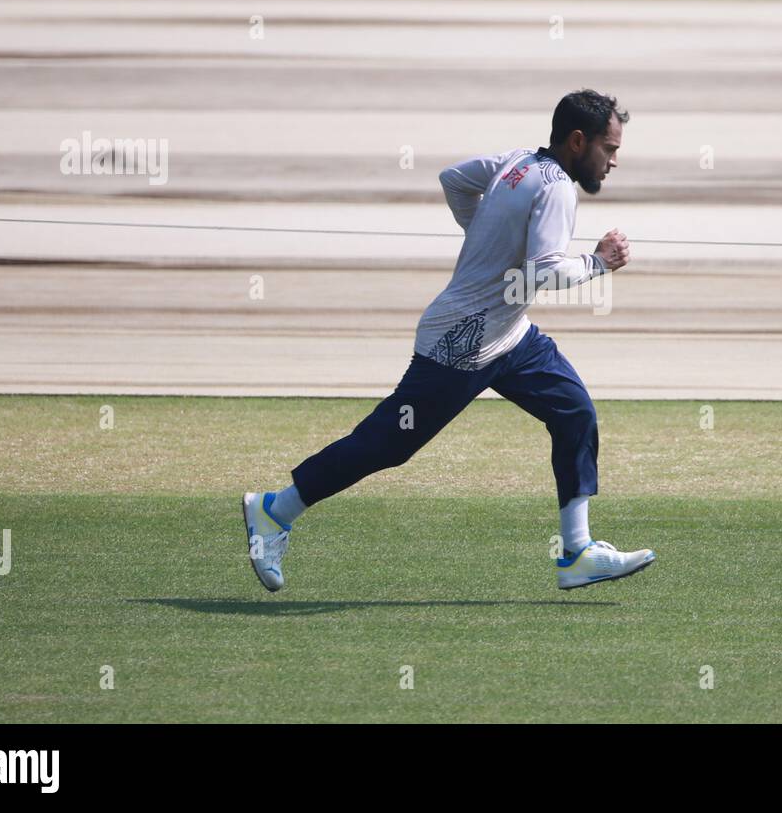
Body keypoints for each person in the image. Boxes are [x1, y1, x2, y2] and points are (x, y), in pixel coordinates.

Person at [242, 89, 655, 592]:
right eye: (608, 149)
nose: (613, 161)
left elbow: (453, 180)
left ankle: (577, 551)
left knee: (574, 412)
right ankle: (275, 510)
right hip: (461, 342)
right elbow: (543, 273)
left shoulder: (517, 162)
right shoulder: (557, 189)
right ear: (577, 141)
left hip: (509, 338)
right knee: (386, 445)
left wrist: (484, 235)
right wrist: (598, 262)